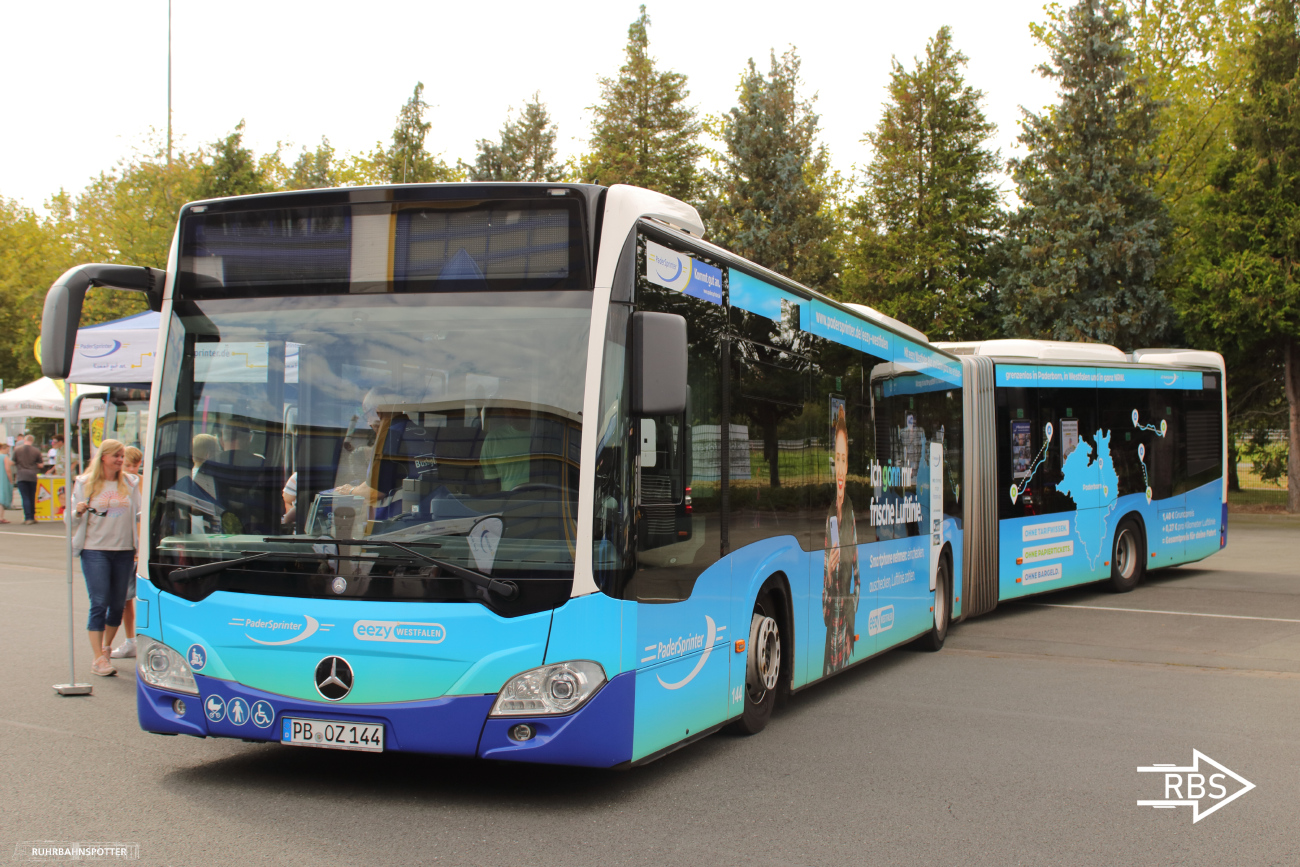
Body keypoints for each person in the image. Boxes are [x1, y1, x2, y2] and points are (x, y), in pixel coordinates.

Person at [71, 440, 141, 677]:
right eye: (116, 456)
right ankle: (97, 658)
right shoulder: (85, 483)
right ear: (103, 457)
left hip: (124, 550)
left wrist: (140, 547)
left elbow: (139, 514)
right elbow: (70, 520)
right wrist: (77, 511)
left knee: (118, 605)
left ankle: (106, 648)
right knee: (99, 602)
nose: (121, 460)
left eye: (122, 456)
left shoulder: (131, 482)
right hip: (95, 550)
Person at [822, 405, 860, 677]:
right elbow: (824, 609)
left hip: (844, 635)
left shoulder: (850, 514)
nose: (840, 467)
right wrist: (829, 570)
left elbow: (857, 579)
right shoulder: (826, 517)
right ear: (832, 462)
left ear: (848, 465)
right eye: (837, 458)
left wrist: (849, 617)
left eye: (844, 459)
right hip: (830, 641)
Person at [111, 447, 144, 659]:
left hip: (140, 547)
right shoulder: (118, 484)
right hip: (127, 546)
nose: (132, 469)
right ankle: (131, 639)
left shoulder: (142, 482)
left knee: (139, 596)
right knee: (125, 598)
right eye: (128, 465)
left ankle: (138, 639)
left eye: (135, 465)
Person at [13, 434, 43, 525]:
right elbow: (41, 465)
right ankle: (33, 517)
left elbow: (13, 462)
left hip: (21, 475)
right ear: (32, 441)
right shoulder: (36, 451)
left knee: (25, 497)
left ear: (24, 440)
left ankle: (28, 517)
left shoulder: (17, 450)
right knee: (32, 496)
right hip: (32, 476)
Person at [0, 443, 14, 523]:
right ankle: (1, 517)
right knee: (2, 498)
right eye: (8, 449)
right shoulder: (4, 457)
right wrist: (10, 479)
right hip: (3, 478)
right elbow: (7, 469)